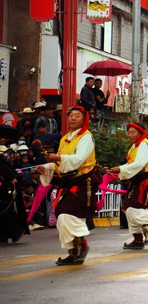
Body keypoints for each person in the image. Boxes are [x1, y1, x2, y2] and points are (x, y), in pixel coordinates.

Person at [35, 106, 96, 265]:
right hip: (69, 182)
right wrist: (47, 168)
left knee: (69, 214)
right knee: (63, 215)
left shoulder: (86, 137)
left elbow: (78, 159)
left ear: (84, 119)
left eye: (77, 116)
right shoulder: (65, 138)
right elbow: (60, 163)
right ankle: (74, 251)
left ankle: (80, 247)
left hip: (82, 181)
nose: (73, 118)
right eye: (71, 116)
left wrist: (58, 157)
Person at [108, 123, 148, 249]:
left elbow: (138, 164)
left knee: (135, 206)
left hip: (147, 180)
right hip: (139, 180)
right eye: (129, 132)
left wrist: (120, 169)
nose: (130, 135)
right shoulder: (134, 146)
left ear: (140, 132)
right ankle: (138, 239)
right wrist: (119, 171)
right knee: (129, 207)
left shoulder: (144, 144)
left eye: (133, 132)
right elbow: (131, 164)